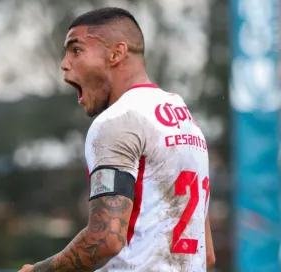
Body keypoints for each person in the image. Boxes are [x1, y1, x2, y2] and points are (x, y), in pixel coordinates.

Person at [20, 7, 215, 272]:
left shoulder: (117, 121)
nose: (64, 63)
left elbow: (106, 239)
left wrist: (38, 271)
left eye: (76, 50)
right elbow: (208, 255)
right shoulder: (189, 125)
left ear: (116, 53)